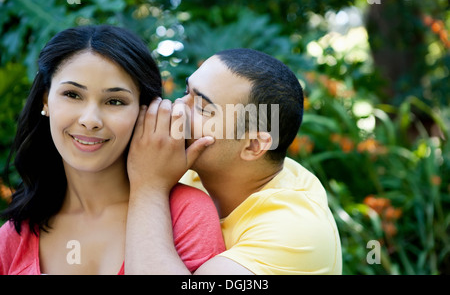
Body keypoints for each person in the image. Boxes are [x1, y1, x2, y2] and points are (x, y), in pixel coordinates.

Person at [0, 25, 225, 275]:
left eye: (115, 101)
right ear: (46, 100)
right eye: (72, 94)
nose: (90, 119)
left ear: (145, 112)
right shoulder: (13, 236)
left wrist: (149, 191)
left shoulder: (185, 212)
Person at [126, 48, 342, 274]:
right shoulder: (201, 163)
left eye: (201, 107)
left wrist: (148, 188)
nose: (177, 107)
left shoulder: (297, 232)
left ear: (253, 145)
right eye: (186, 92)